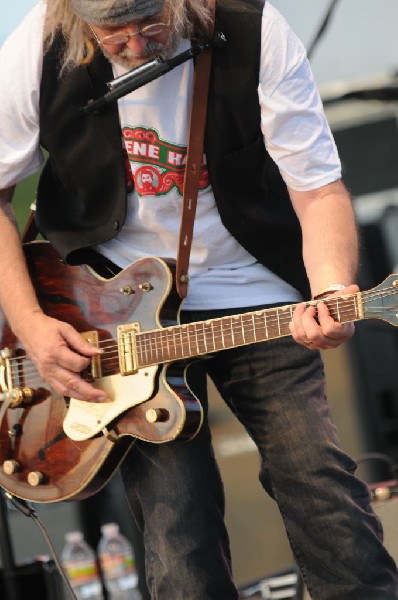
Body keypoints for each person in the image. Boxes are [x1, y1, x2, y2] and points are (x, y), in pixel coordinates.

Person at [0, 0, 397, 598]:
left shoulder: (253, 27)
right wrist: (28, 321)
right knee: (175, 523)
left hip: (255, 290)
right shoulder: (37, 44)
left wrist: (331, 289)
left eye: (150, 23)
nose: (135, 43)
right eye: (114, 33)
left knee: (317, 482)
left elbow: (318, 187)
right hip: (110, 311)